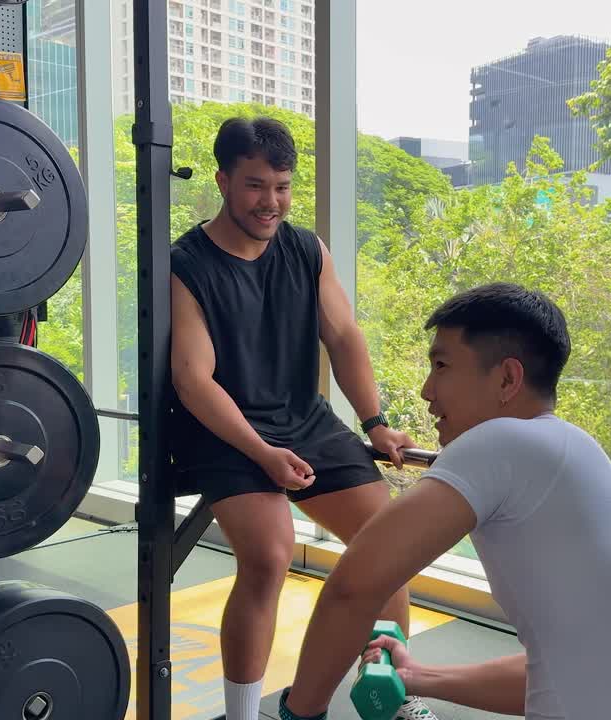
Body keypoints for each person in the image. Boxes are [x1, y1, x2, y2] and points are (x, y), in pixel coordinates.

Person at [276, 283, 611, 720]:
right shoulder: (570, 449)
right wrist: (418, 678)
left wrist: (301, 711)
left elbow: (354, 588)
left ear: (507, 378)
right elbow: (555, 674)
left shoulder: (498, 443)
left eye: (441, 366)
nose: (426, 391)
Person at [168, 116, 440, 720]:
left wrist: (375, 423)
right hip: (226, 430)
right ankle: (241, 714)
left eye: (283, 187)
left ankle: (391, 694)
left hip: (305, 420)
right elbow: (193, 380)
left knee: (391, 547)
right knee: (269, 558)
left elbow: (343, 335)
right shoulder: (185, 264)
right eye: (256, 186)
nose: (272, 202)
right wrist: (262, 454)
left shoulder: (306, 249)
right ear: (223, 181)